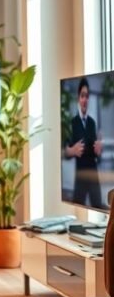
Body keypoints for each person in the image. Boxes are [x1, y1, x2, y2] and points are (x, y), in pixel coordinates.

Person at [64, 77, 103, 208]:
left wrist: (98, 151)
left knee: (97, 205)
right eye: (82, 96)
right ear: (78, 98)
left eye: (87, 96)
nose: (85, 100)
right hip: (80, 174)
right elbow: (65, 152)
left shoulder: (92, 123)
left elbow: (96, 154)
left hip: (93, 173)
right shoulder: (72, 123)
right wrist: (72, 150)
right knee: (78, 204)